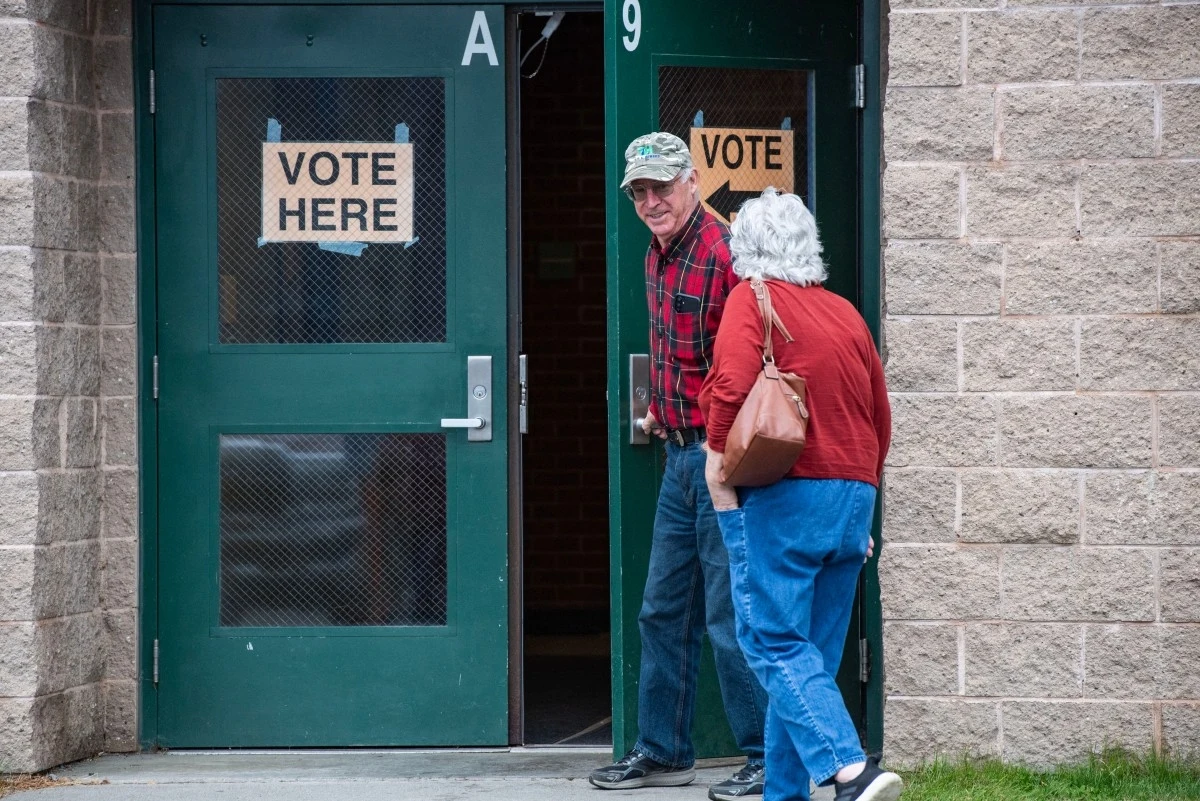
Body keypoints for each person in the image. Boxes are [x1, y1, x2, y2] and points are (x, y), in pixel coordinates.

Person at [698, 188, 899, 801]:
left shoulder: (752, 297)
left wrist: (716, 457)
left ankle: (851, 770)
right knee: (804, 663)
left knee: (771, 642)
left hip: (787, 495)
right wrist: (858, 510)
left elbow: (731, 385)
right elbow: (880, 416)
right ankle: (785, 794)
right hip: (853, 496)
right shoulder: (845, 313)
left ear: (745, 247)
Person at [589, 132, 768, 801]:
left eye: (661, 186)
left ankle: (765, 756)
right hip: (677, 457)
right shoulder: (656, 254)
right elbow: (680, 354)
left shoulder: (725, 252)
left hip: (723, 459)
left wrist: (721, 449)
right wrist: (661, 411)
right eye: (639, 191)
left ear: (693, 181)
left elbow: (753, 361)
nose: (650, 201)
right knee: (661, 612)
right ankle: (664, 752)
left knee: (730, 615)